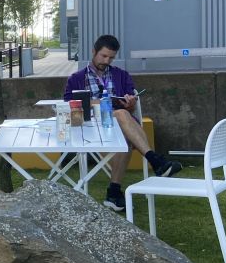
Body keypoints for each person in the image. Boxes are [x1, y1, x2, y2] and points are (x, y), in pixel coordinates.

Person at [63, 34, 182, 212]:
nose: (106, 60)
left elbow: (131, 106)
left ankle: (114, 193)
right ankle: (156, 161)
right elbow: (67, 105)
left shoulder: (122, 75)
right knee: (120, 114)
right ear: (94, 52)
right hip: (91, 128)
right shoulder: (76, 78)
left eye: (111, 57)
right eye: (103, 56)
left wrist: (131, 103)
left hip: (119, 128)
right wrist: (98, 103)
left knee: (124, 131)